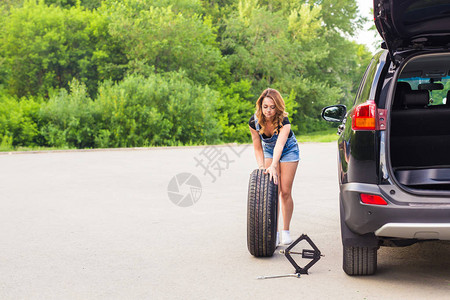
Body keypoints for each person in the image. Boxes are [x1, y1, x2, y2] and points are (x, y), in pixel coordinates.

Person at [248, 88, 300, 245]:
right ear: (260, 106)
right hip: (269, 150)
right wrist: (263, 166)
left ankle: (285, 231)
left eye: (272, 107)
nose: (268, 111)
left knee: (285, 191)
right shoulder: (254, 122)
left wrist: (274, 166)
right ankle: (274, 232)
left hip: (288, 150)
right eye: (265, 107)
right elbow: (258, 147)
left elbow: (281, 144)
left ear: (277, 106)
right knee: (272, 192)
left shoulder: (284, 121)